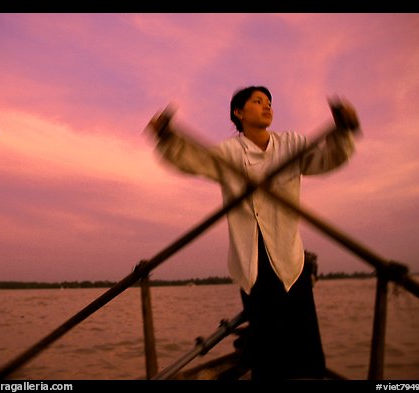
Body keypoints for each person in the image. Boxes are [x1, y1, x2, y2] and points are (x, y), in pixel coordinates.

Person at [145, 85, 360, 380]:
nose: (267, 106)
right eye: (258, 101)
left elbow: (326, 159)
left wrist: (344, 131)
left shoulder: (292, 144)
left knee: (304, 342)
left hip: (288, 256)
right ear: (238, 112)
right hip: (251, 258)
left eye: (269, 102)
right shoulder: (228, 153)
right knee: (267, 344)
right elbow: (192, 160)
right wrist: (165, 137)